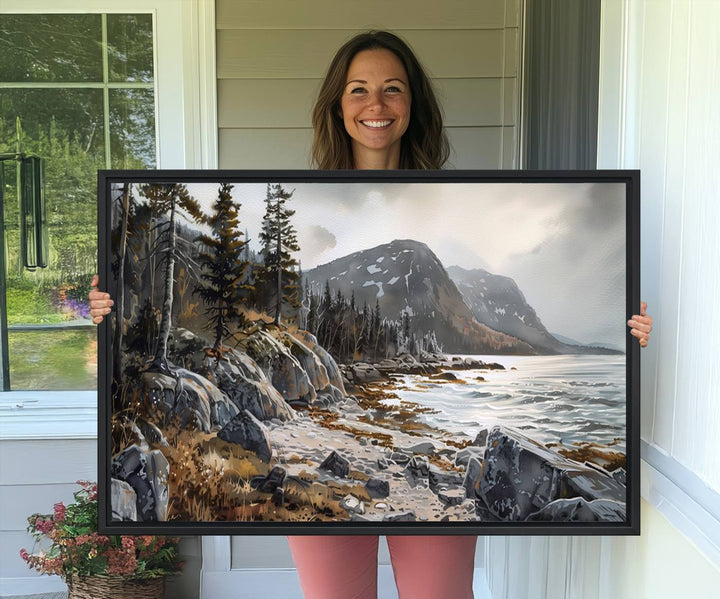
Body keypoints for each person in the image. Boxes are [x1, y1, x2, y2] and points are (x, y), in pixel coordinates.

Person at [89, 30, 653, 599]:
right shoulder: (295, 195)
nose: (376, 105)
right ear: (338, 105)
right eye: (358, 90)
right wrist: (112, 308)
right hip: (328, 481)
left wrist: (628, 337)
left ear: (413, 105)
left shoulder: (456, 198)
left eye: (392, 89)